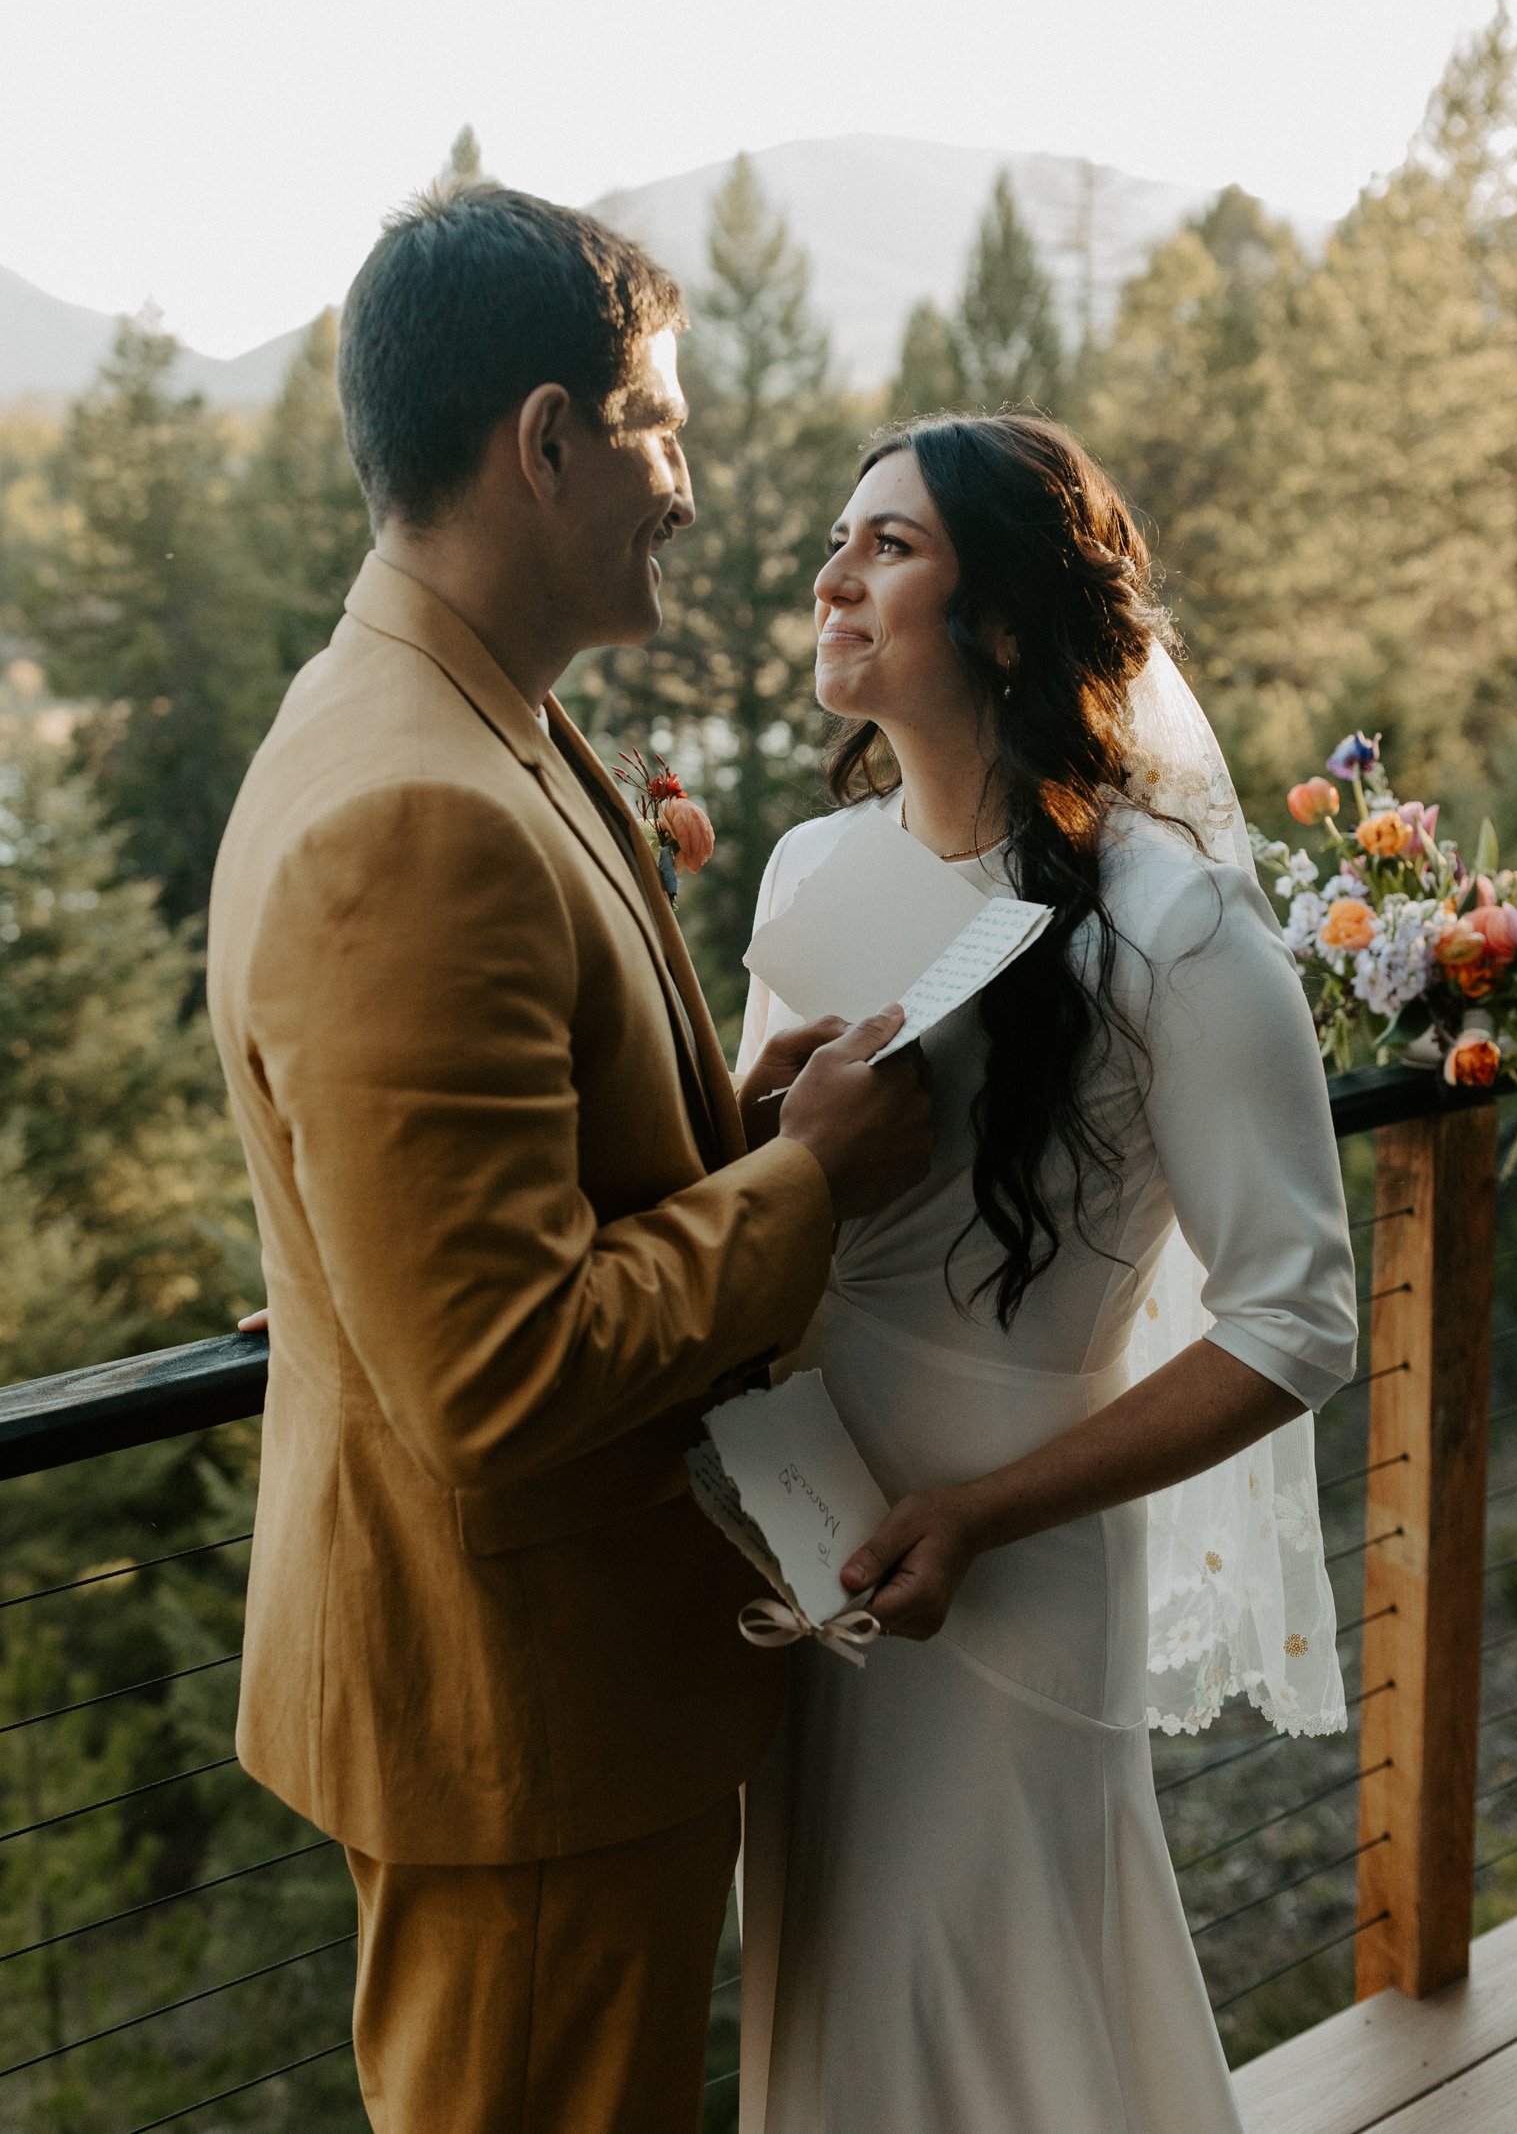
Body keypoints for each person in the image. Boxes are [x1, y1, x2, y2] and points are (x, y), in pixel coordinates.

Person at [206, 182, 934, 2134]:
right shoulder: (413, 807)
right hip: (516, 1713)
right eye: (661, 425)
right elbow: (499, 1366)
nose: (688, 480)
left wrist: (737, 1130)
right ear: (544, 442)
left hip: (560, 1688)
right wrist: (814, 1182)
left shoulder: (467, 717)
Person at [735, 414, 1358, 2134]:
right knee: (842, 2007)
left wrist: (983, 1516)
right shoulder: (810, 873)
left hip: (1008, 1562)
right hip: (812, 1534)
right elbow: (744, 1201)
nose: (830, 575)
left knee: (992, 2001)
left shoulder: (1174, 925)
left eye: (890, 547)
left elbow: (1300, 1316)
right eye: (839, 538)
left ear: (1005, 622)